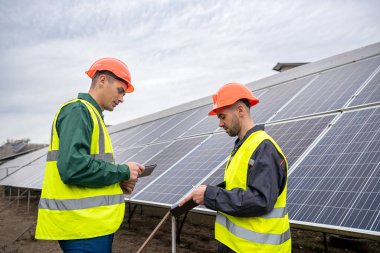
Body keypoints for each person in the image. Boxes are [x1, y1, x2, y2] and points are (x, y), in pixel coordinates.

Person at [35, 58, 145, 253]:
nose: (122, 99)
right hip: (83, 227)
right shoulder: (78, 111)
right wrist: (122, 171)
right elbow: (73, 168)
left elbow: (86, 168)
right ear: (102, 80)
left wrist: (118, 182)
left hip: (90, 226)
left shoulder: (92, 116)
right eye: (120, 90)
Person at [180, 83, 291, 252]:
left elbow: (260, 200)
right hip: (235, 246)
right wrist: (203, 192)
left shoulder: (263, 147)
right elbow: (238, 188)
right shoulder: (242, 146)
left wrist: (210, 194)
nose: (220, 123)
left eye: (222, 116)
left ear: (240, 110)